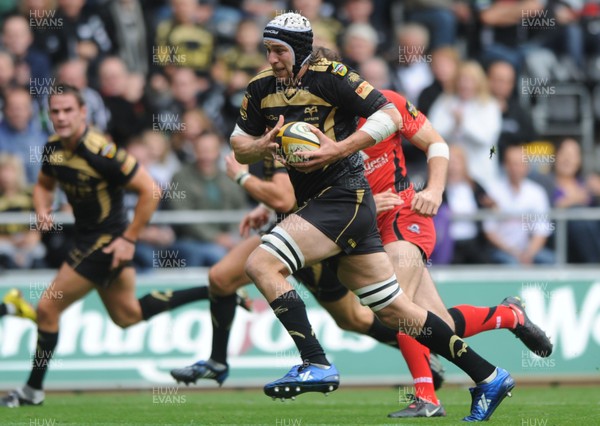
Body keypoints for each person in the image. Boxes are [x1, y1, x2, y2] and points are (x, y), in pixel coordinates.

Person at [228, 12, 515, 422]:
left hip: (353, 200)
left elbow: (399, 121)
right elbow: (238, 144)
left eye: (279, 50)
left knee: (261, 262)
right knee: (397, 312)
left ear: (304, 53)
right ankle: (489, 375)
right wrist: (261, 145)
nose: (272, 58)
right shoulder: (261, 88)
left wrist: (340, 151)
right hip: (339, 208)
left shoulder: (335, 78)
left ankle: (318, 362)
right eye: (268, 49)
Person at [0, 84, 228, 408]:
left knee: (49, 309)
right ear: (48, 115)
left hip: (107, 243)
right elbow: (43, 184)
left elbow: (151, 190)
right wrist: (41, 208)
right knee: (128, 316)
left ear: (83, 113)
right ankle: (212, 291)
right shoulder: (52, 148)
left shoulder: (101, 151)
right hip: (90, 240)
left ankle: (31, 391)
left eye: (68, 110)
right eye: (55, 111)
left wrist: (129, 238)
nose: (62, 117)